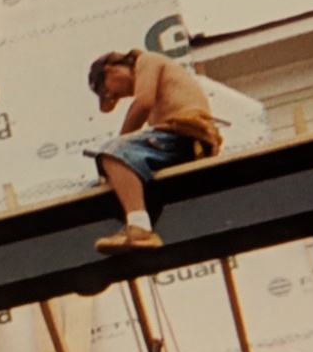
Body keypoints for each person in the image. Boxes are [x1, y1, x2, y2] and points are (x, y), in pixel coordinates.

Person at [88, 49, 222, 254]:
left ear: (111, 71)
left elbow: (143, 103)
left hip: (183, 135)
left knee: (112, 152)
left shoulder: (146, 61)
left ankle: (139, 227)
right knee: (101, 182)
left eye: (107, 91)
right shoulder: (158, 82)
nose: (115, 96)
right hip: (179, 142)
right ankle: (134, 219)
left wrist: (119, 145)